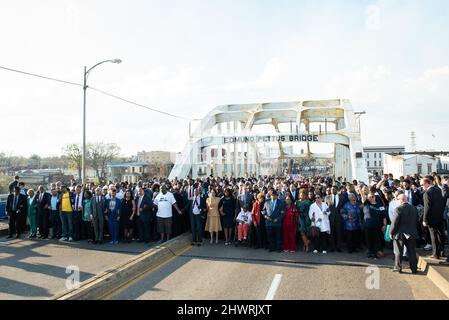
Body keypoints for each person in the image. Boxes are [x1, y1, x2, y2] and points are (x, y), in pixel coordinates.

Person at [390, 194, 419, 274]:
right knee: (412, 251)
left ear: (401, 200)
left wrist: (391, 232)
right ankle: (414, 269)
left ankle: (398, 268)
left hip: (400, 234)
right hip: (412, 233)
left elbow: (394, 223)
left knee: (398, 251)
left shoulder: (398, 209)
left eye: (398, 200)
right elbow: (417, 220)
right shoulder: (414, 208)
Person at [422, 176, 446, 259]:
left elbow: (427, 207)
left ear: (426, 184)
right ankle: (441, 252)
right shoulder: (438, 190)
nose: (422, 186)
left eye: (422, 184)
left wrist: (425, 219)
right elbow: (443, 202)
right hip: (439, 216)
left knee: (433, 236)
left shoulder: (427, 193)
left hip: (431, 218)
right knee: (440, 234)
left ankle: (435, 254)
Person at [363, 192, 388, 259]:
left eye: (371, 196)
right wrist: (360, 189)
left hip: (377, 226)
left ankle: (376, 253)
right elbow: (363, 196)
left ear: (374, 197)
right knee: (369, 240)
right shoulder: (366, 204)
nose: (370, 198)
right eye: (368, 197)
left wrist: (384, 225)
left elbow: (384, 216)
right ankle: (370, 253)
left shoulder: (380, 205)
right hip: (368, 226)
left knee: (377, 240)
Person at [328, 186, 345, 252]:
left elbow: (344, 206)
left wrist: (343, 209)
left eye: (334, 189)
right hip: (330, 217)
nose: (332, 190)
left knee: (339, 232)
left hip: (339, 217)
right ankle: (332, 247)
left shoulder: (342, 197)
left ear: (337, 190)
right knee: (331, 232)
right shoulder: (328, 197)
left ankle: (338, 247)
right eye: (331, 189)